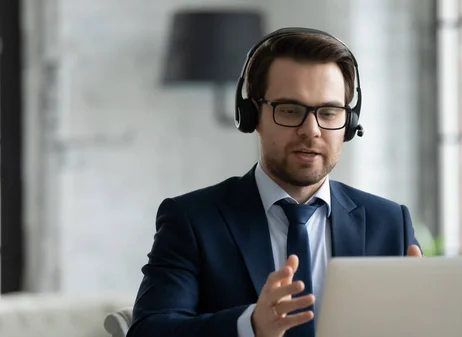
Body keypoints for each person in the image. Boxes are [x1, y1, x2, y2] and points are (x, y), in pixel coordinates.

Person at [126, 27, 422, 337]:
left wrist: (430, 312)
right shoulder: (192, 221)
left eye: (330, 112)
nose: (311, 130)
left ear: (349, 123)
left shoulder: (390, 222)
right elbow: (150, 331)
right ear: (253, 116)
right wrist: (250, 326)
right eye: (291, 110)